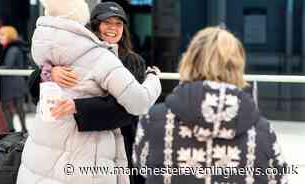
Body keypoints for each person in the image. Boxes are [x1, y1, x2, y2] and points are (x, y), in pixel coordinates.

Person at [16, 0, 161, 184]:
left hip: (120, 139)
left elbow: (124, 112)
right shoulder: (75, 52)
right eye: (107, 22)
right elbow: (34, 86)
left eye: (118, 23)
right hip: (83, 146)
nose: (113, 28)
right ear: (94, 25)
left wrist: (77, 107)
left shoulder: (132, 61)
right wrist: (49, 73)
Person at [133, 27, 288, 184]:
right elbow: (279, 178)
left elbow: (141, 165)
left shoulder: (153, 119)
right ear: (237, 66)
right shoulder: (261, 130)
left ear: (190, 60)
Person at [0, 26, 28, 133]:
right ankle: (21, 130)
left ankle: (12, 131)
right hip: (16, 82)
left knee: (7, 106)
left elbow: (8, 66)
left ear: (9, 35)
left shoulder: (12, 48)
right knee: (18, 107)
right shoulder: (14, 47)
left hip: (12, 83)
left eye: (2, 34)